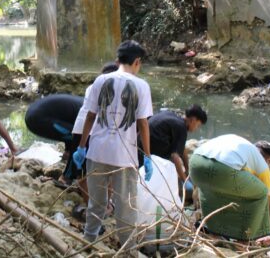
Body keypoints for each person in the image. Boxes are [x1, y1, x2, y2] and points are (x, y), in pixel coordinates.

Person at [72, 40, 153, 250]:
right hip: (124, 159)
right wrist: (148, 157)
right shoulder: (141, 86)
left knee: (96, 204)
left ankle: (88, 242)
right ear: (137, 61)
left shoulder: (100, 80)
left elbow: (90, 116)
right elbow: (143, 124)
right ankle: (129, 249)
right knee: (126, 207)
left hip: (96, 152)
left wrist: (82, 147)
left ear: (118, 60)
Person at [189, 134, 270, 256]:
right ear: (268, 161)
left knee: (218, 189)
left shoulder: (243, 150)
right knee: (262, 193)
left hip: (195, 162)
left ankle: (212, 231)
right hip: (223, 169)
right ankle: (243, 241)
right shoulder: (262, 166)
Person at [63, 62, 119, 203]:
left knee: (86, 171)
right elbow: (91, 115)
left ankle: (99, 205)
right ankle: (98, 205)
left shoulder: (93, 87)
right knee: (92, 171)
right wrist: (82, 145)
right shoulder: (105, 88)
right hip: (87, 130)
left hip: (90, 131)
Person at [140, 105, 207, 184]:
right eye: (198, 125)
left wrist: (187, 169)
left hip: (141, 145)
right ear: (193, 120)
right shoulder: (181, 128)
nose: (197, 129)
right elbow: (175, 156)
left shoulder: (175, 117)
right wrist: (185, 181)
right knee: (172, 170)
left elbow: (182, 148)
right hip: (147, 156)